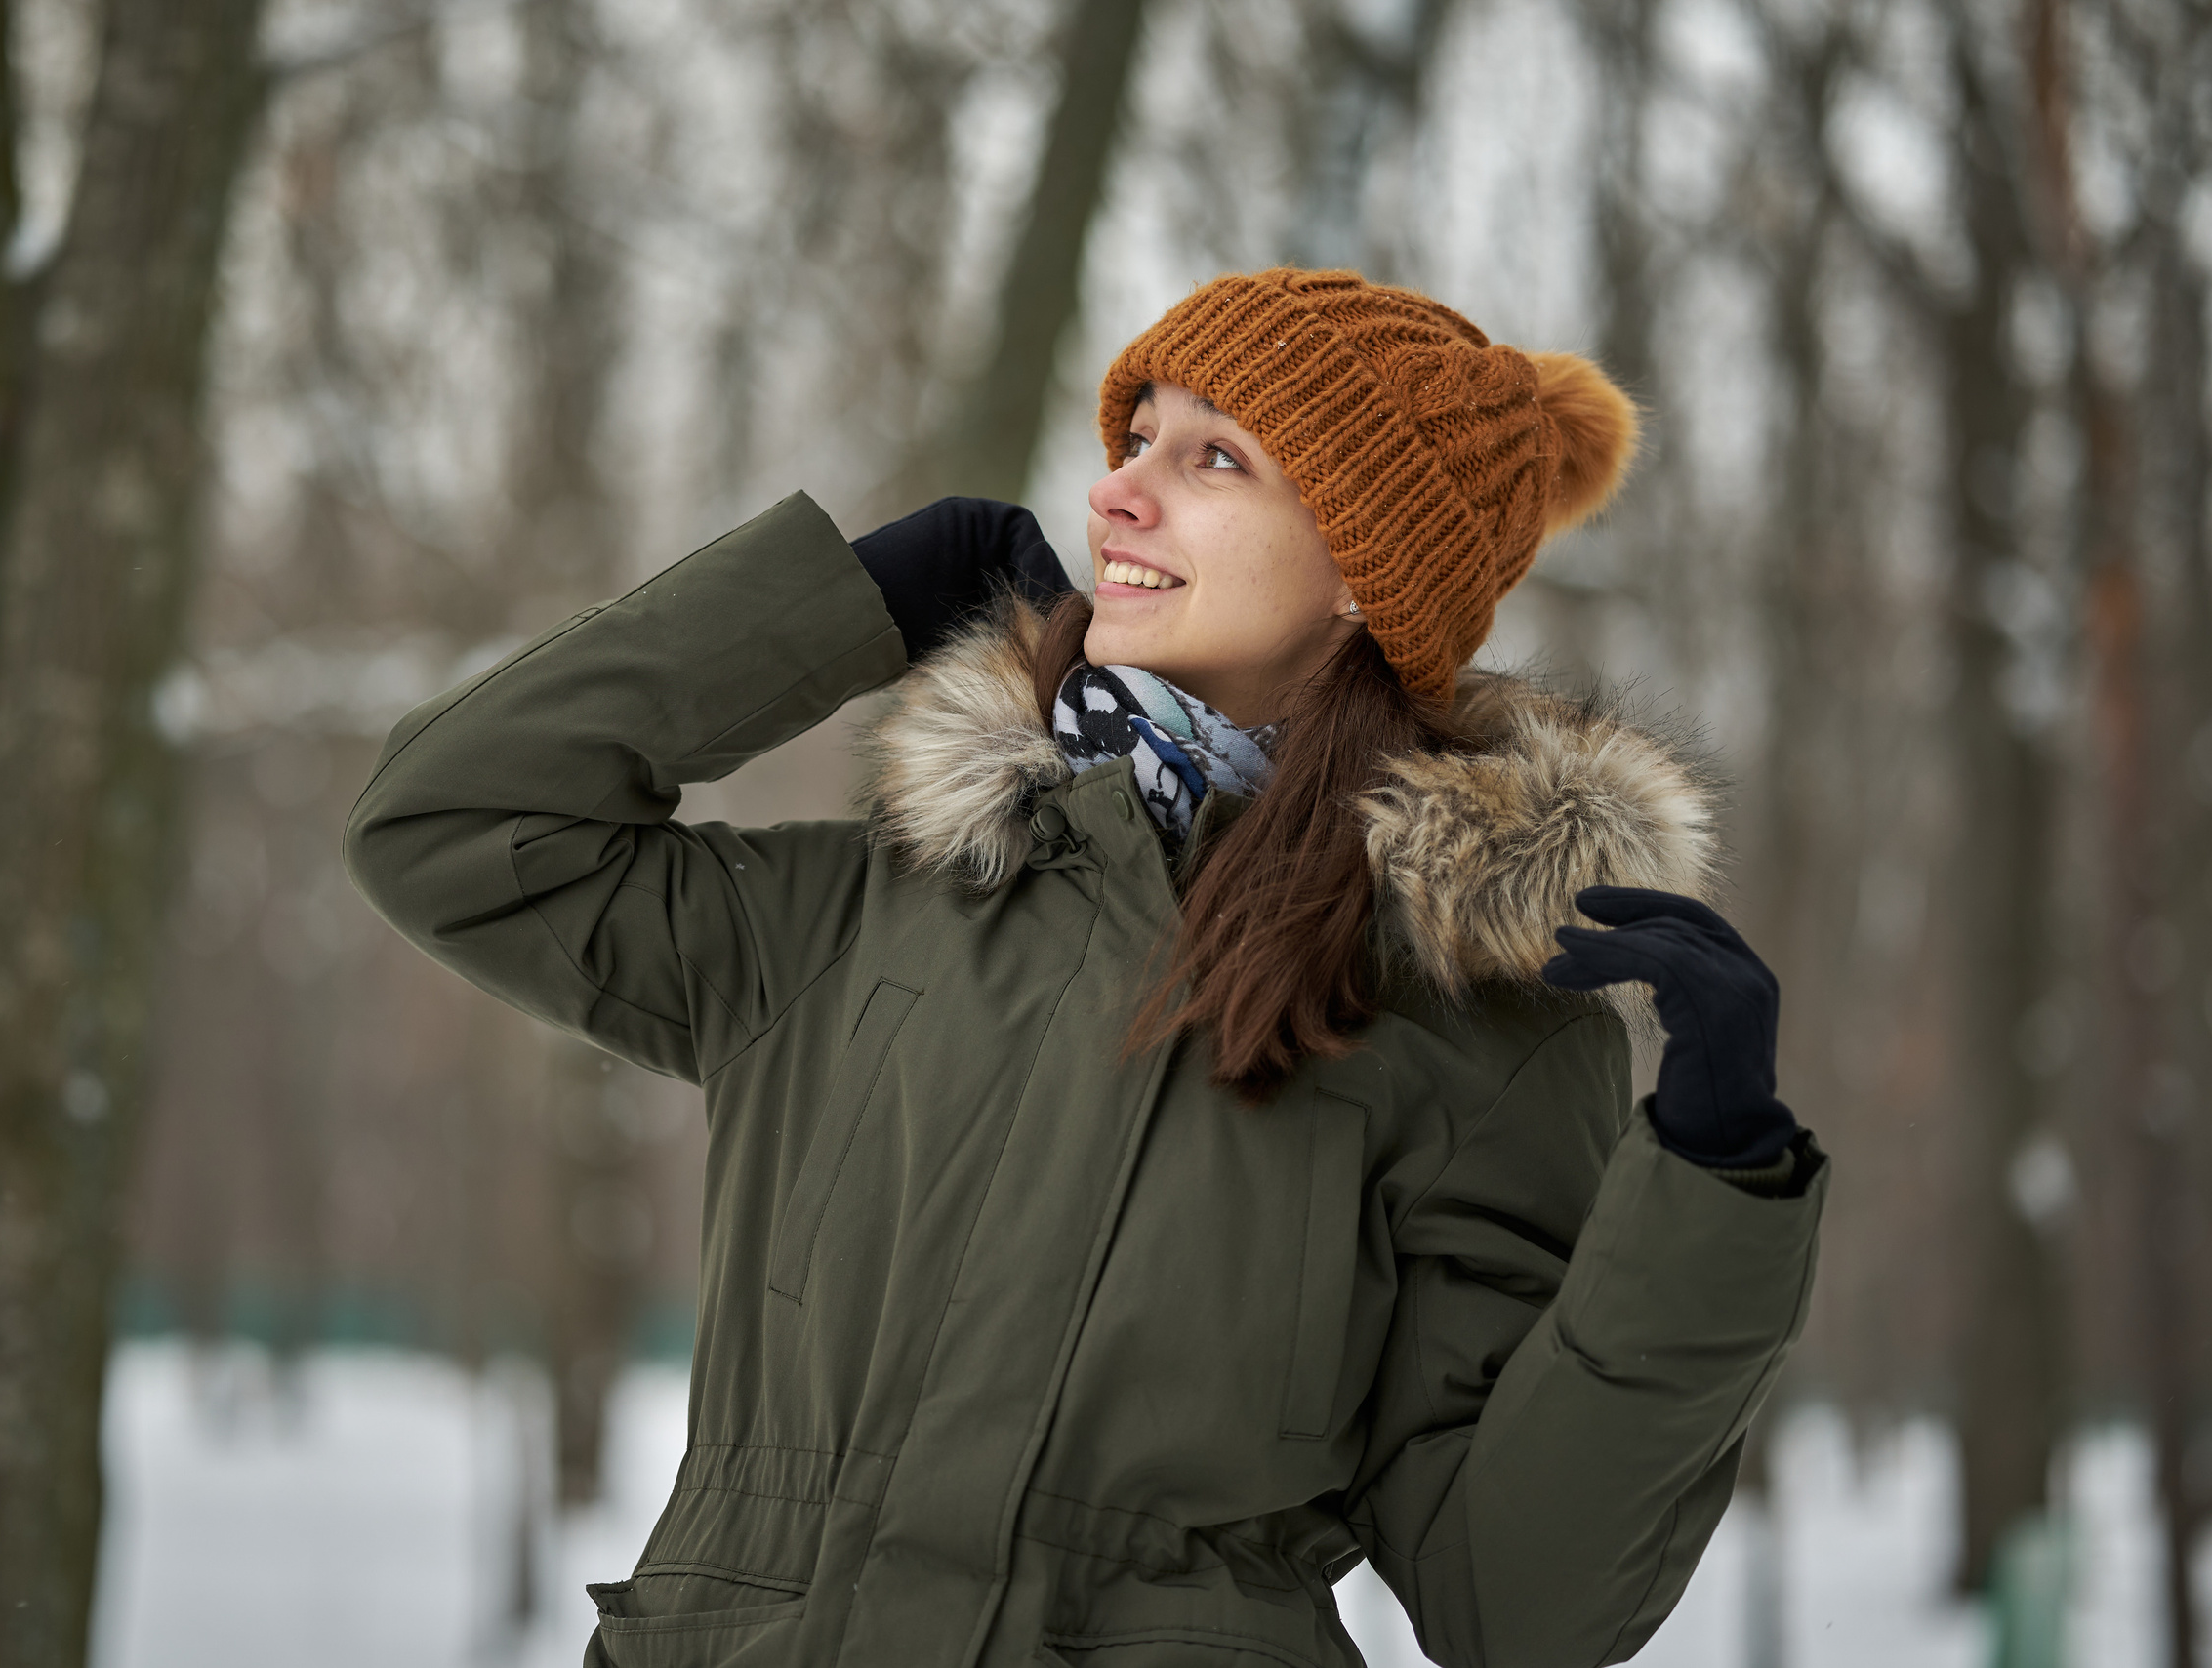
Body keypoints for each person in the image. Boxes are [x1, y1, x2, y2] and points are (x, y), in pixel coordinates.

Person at [346, 268, 1825, 1668]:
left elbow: (1520, 1595)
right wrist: (848, 598)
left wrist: (1712, 1192)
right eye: (1136, 438)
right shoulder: (871, 910)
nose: (1118, 487)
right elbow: (447, 824)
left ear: (1364, 573)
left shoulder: (1475, 1035)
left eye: (1216, 457)